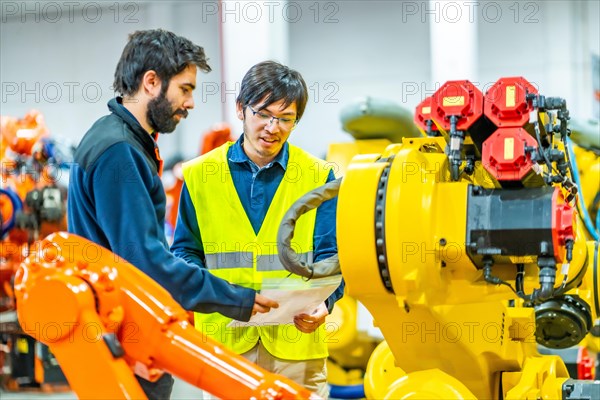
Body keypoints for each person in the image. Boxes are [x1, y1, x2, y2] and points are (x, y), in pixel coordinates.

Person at [67, 30, 278, 399]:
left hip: (118, 335)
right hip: (124, 342)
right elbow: (146, 262)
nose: (191, 102)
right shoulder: (120, 151)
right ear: (152, 82)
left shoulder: (122, 140)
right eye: (185, 88)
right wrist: (237, 298)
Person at [171, 60, 344, 398]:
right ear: (241, 109)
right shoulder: (199, 175)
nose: (272, 127)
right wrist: (217, 297)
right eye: (263, 114)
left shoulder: (318, 175)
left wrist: (327, 303)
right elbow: (185, 252)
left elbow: (333, 256)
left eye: (285, 118)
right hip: (225, 345)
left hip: (296, 345)